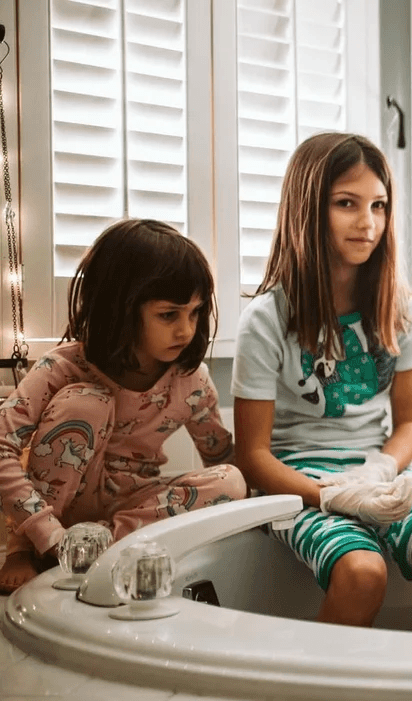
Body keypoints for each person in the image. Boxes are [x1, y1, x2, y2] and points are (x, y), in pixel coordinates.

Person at [231, 132, 412, 632]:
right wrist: (330, 496)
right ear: (308, 209)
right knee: (362, 574)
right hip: (298, 482)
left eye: (379, 205)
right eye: (347, 203)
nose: (368, 222)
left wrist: (378, 472)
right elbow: (252, 458)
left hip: (376, 473)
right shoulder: (266, 319)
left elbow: (409, 426)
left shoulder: (401, 310)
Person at [0, 219, 247, 594]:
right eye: (169, 314)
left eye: (195, 313)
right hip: (58, 513)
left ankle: (98, 545)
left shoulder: (190, 380)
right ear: (120, 308)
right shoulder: (63, 367)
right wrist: (44, 534)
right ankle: (29, 549)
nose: (187, 330)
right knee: (86, 403)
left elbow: (220, 457)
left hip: (131, 508)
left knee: (232, 480)